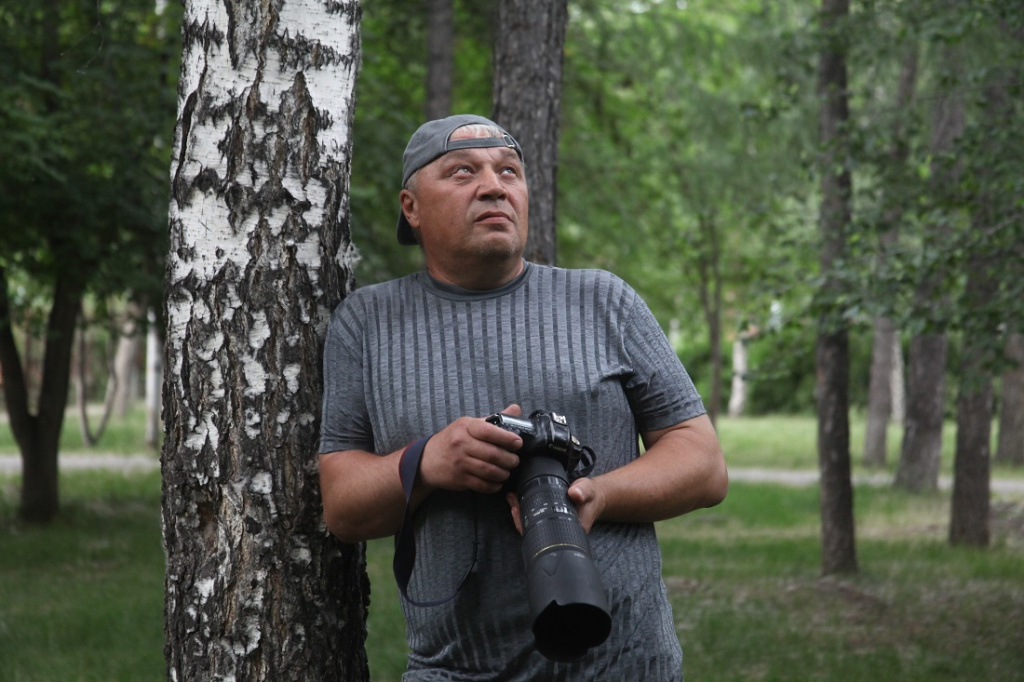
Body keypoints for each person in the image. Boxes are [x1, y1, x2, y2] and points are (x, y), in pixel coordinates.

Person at [319, 113, 728, 680]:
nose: (494, 186)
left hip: (625, 666)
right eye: (462, 172)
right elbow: (342, 507)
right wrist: (429, 462)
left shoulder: (604, 301)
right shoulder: (367, 323)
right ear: (411, 207)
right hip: (456, 670)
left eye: (509, 171)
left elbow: (704, 464)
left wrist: (598, 494)